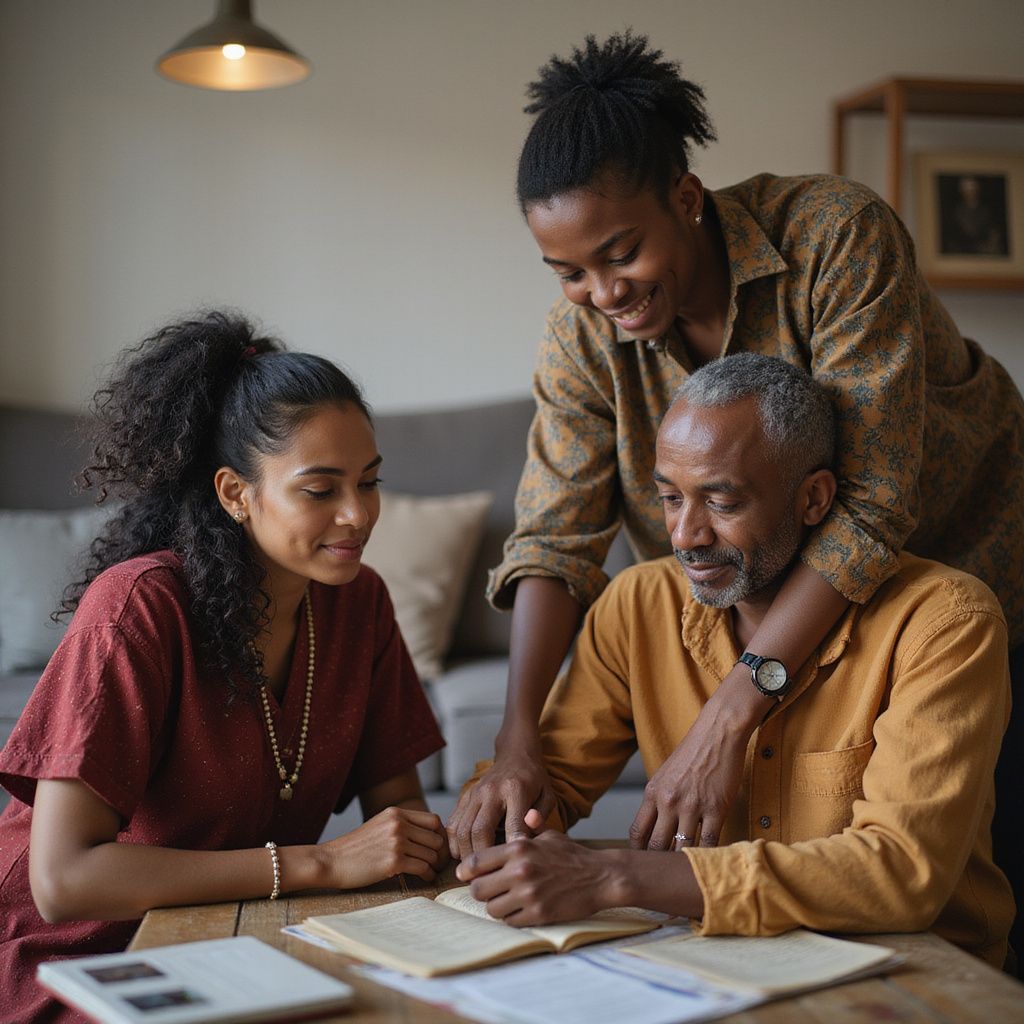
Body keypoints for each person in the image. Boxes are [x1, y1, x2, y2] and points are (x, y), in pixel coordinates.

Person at [446, 31, 1024, 955]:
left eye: (620, 253)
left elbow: (870, 507)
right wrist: (517, 743)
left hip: (955, 584)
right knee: (789, 866)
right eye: (568, 274)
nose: (600, 292)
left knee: (962, 891)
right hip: (759, 611)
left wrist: (728, 710)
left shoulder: (835, 236)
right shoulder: (583, 334)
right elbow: (554, 535)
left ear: (686, 199)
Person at [456, 353, 1015, 970]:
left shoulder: (946, 621)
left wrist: (614, 875)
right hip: (715, 965)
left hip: (920, 972)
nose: (685, 535)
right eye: (670, 498)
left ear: (814, 499)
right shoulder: (637, 606)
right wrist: (504, 819)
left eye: (721, 503)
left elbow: (901, 873)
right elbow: (550, 786)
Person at [0, 311, 448, 1020]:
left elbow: (400, 819)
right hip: (84, 961)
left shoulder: (360, 603)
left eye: (369, 482)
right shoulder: (141, 607)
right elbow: (63, 880)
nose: (358, 515)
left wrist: (487, 837)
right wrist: (324, 864)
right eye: (321, 489)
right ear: (237, 493)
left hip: (240, 939)